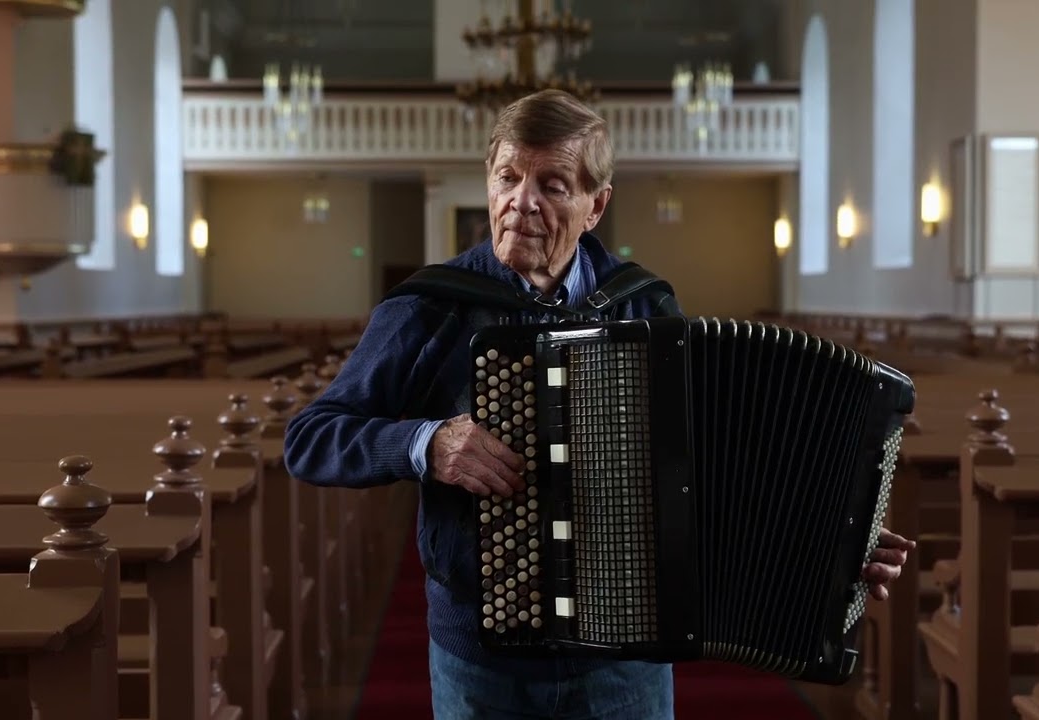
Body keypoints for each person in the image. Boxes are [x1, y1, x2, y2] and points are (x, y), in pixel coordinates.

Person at [284, 89, 914, 719]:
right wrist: (426, 444)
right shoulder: (429, 309)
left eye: (553, 185)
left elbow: (715, 464)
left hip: (626, 659)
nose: (520, 201)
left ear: (596, 206)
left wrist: (838, 530)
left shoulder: (644, 307)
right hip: (482, 660)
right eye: (508, 177)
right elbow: (310, 439)